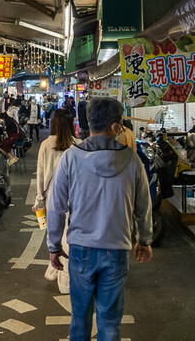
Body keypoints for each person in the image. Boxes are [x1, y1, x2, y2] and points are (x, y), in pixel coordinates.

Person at [47, 97, 152, 341]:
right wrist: (144, 240)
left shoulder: (70, 158)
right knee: (110, 323)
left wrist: (54, 245)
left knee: (80, 320)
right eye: (122, 124)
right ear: (115, 127)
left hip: (81, 249)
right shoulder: (133, 161)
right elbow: (143, 205)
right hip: (116, 250)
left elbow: (56, 207)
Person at [34, 110, 79, 282]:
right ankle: (56, 270)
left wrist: (39, 200)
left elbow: (40, 174)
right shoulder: (78, 144)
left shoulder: (46, 145)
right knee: (68, 234)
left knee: (55, 235)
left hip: (52, 196)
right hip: (74, 196)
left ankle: (64, 279)